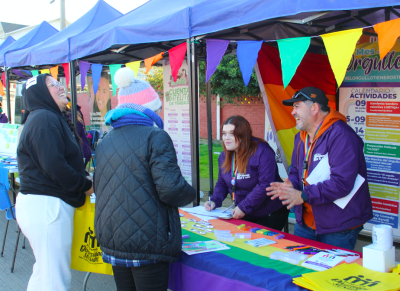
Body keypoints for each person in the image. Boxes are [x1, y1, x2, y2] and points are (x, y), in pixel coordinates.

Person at [94, 67, 196, 291]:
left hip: (114, 238)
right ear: (148, 108)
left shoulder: (106, 141)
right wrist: (192, 192)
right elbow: (171, 189)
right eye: (158, 107)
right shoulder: (155, 136)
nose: (160, 111)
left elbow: (99, 186)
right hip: (148, 239)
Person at [267, 87, 373, 250]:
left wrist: (302, 195)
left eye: (297, 106)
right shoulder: (300, 137)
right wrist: (293, 186)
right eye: (293, 108)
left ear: (314, 108)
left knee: (331, 274)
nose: (292, 112)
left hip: (338, 225)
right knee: (302, 270)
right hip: (306, 223)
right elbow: (296, 170)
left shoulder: (342, 135)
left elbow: (341, 183)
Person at [16, 74, 94, 291]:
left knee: (46, 273)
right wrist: (86, 185)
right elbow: (55, 166)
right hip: (46, 206)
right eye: (53, 85)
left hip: (45, 205)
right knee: (55, 280)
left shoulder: (47, 117)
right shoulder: (44, 118)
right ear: (40, 93)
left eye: (59, 83)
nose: (61, 87)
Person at [205, 115, 288, 231]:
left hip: (269, 211)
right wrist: (214, 200)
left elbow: (265, 185)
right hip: (246, 211)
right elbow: (222, 182)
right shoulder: (225, 155)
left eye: (231, 133)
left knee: (262, 246)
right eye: (224, 133)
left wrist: (244, 207)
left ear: (243, 134)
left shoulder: (263, 152)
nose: (226, 138)